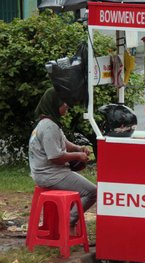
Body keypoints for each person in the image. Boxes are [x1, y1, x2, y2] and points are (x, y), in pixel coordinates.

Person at [28, 88, 97, 231]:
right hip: (50, 174)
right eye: (64, 103)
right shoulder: (49, 126)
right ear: (54, 103)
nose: (67, 106)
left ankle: (66, 220)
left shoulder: (48, 122)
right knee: (92, 192)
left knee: (80, 190)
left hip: (47, 172)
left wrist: (78, 148)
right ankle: (67, 223)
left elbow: (63, 142)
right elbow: (56, 157)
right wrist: (78, 156)